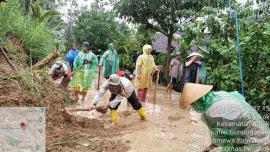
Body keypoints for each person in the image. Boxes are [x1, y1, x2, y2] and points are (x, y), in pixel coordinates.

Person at [180, 83, 270, 152]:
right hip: (262, 131)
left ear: (197, 102)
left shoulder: (211, 113)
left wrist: (208, 149)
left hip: (253, 141)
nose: (193, 107)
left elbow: (220, 139)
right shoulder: (220, 95)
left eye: (192, 104)